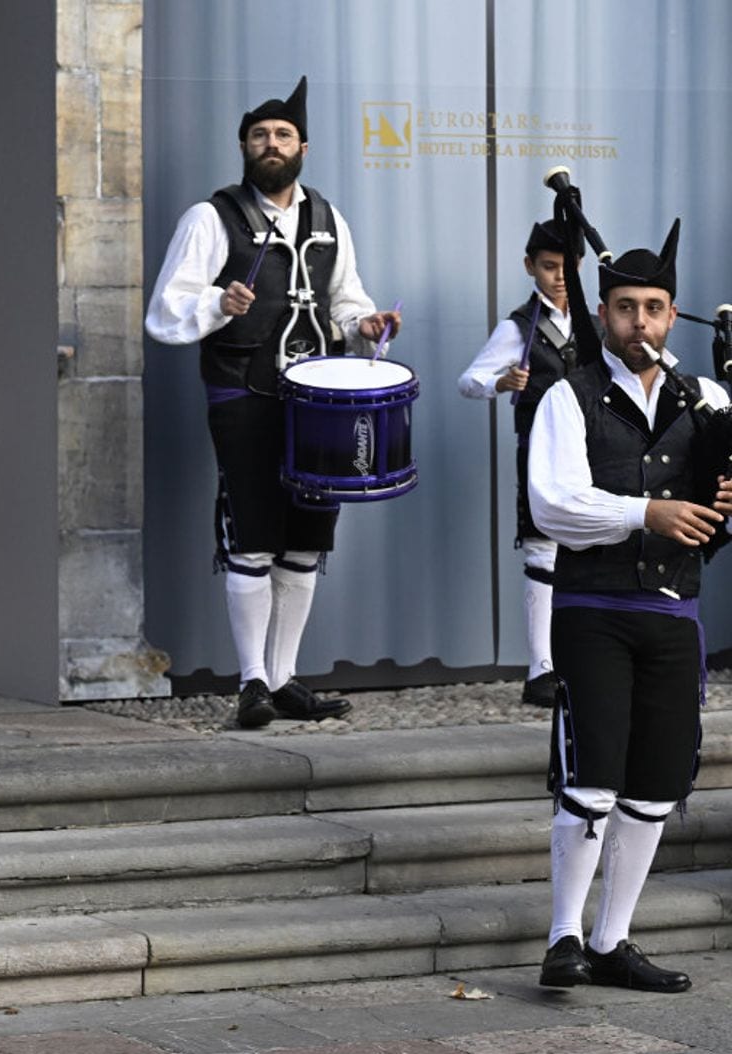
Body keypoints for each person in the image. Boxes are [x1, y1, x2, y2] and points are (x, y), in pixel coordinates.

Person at [145, 77, 401, 729]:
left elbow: (347, 298)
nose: (271, 143)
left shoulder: (328, 218)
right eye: (259, 135)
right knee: (254, 540)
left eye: (282, 134)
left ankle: (285, 678)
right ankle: (252, 681)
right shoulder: (212, 217)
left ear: (303, 147)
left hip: (317, 402)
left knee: (305, 544)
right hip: (245, 393)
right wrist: (215, 302)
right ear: (243, 146)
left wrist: (366, 325)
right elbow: (165, 310)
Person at [528, 220, 732, 993]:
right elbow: (552, 504)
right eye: (624, 307)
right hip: (593, 607)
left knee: (654, 785)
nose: (639, 322)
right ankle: (563, 938)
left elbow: (715, 512)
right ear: (603, 313)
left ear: (671, 315)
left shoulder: (706, 397)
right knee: (593, 779)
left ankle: (612, 941)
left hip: (675, 612)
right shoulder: (569, 396)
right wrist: (644, 514)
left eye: (652, 308)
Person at [459, 220, 594, 708]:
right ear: (530, 267)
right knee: (543, 553)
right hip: (539, 453)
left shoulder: (597, 323)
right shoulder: (518, 326)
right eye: (548, 267)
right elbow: (468, 380)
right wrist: (500, 384)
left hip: (595, 455)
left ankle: (586, 659)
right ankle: (541, 668)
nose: (559, 277)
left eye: (567, 267)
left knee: (594, 552)